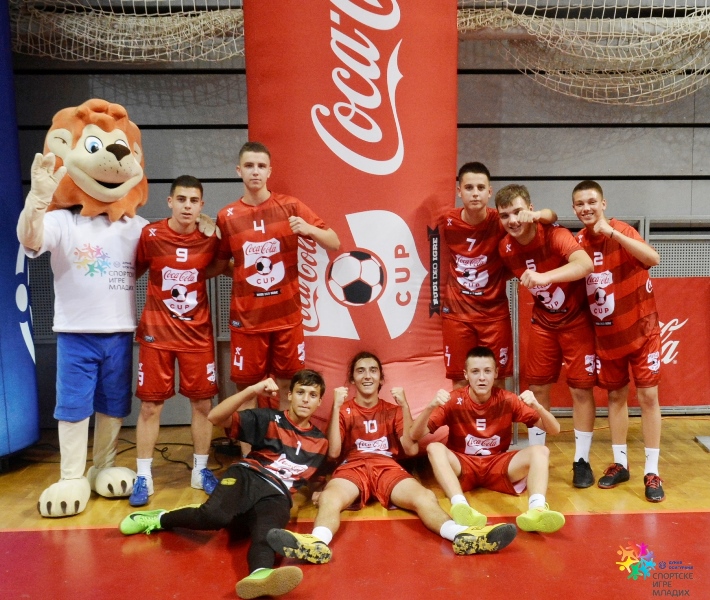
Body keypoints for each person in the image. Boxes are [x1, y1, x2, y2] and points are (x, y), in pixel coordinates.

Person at [266, 351, 517, 567]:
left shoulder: (393, 409)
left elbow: (410, 449)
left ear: (381, 378)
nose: (367, 375)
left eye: (373, 370)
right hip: (353, 467)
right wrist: (335, 407)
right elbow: (333, 453)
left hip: (387, 467)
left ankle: (462, 536)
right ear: (352, 379)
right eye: (360, 371)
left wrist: (405, 406)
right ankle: (317, 542)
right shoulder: (345, 409)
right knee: (330, 498)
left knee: (424, 497)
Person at [119, 370, 330, 600]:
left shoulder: (320, 442)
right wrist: (252, 390)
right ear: (289, 395)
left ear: (320, 401)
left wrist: (321, 489)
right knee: (213, 517)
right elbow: (215, 417)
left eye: (312, 395)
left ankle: (260, 575)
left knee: (267, 534)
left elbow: (322, 475)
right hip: (248, 476)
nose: (305, 399)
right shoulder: (269, 419)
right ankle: (159, 518)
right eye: (300, 392)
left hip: (278, 495)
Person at [211, 141, 340, 416]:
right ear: (238, 171)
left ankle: (281, 441)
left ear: (270, 171)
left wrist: (308, 229)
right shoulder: (226, 216)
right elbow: (219, 265)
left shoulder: (291, 206)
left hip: (287, 318)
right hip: (248, 321)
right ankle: (251, 445)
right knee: (247, 389)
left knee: (287, 387)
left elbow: (334, 241)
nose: (255, 172)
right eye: (249, 166)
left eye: (261, 166)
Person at [495, 184, 598, 489]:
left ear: (530, 209)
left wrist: (545, 276)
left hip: (576, 321)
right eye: (505, 215)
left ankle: (581, 460)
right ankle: (536, 455)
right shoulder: (505, 248)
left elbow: (586, 264)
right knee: (537, 389)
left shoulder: (554, 235)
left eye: (517, 211)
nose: (513, 220)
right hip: (543, 322)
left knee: (581, 390)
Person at [129, 175, 220, 506]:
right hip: (157, 335)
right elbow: (132, 272)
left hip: (197, 336)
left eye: (194, 201)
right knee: (150, 406)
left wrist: (216, 232)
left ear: (201, 205)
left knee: (203, 405)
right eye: (181, 199)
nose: (187, 206)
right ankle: (143, 476)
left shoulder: (210, 239)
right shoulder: (150, 235)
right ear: (170, 201)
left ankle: (200, 471)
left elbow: (221, 265)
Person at [572, 180, 665, 502]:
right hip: (607, 335)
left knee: (649, 397)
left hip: (642, 330)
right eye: (580, 204)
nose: (586, 208)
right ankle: (620, 463)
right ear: (574, 209)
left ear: (603, 203)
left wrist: (612, 233)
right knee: (615, 397)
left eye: (591, 202)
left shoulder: (622, 230)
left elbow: (653, 258)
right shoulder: (577, 243)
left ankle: (652, 471)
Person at [410, 346, 565, 534]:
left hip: (496, 464)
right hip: (463, 464)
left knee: (541, 451)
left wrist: (538, 406)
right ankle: (460, 506)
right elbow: (414, 435)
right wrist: (430, 407)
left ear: (496, 373)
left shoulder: (508, 399)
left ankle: (537, 510)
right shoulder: (453, 400)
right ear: (466, 374)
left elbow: (554, 430)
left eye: (487, 371)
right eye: (475, 371)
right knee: (434, 447)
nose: (482, 377)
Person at [440, 162, 557, 389]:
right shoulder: (446, 221)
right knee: (460, 380)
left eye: (481, 188)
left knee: (497, 379)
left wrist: (535, 214)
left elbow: (551, 216)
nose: (475, 193)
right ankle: (463, 416)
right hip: (457, 315)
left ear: (489, 192)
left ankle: (497, 416)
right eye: (469, 188)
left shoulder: (501, 221)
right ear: (459, 191)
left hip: (494, 315)